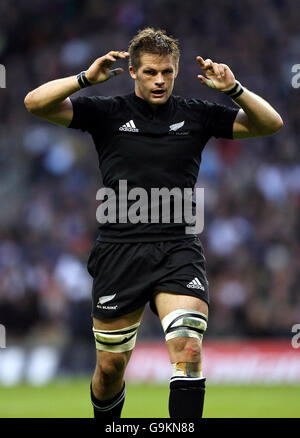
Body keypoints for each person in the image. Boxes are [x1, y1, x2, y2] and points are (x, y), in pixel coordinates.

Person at [24, 28, 283, 419]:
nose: (159, 80)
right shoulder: (107, 112)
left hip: (177, 249)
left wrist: (234, 89)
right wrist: (84, 80)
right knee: (110, 369)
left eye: (166, 72)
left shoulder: (197, 113)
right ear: (133, 72)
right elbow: (34, 103)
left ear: (176, 71)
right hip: (119, 251)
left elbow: (270, 123)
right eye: (149, 72)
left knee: (189, 350)